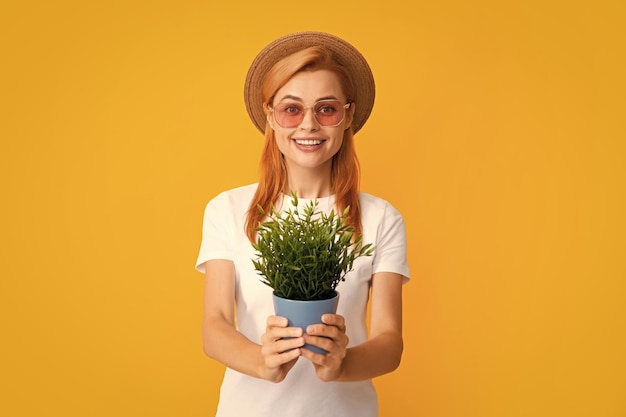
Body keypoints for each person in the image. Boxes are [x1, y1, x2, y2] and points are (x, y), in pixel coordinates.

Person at [196, 31, 410, 417]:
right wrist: (262, 361)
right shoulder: (228, 209)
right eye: (291, 109)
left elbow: (389, 340)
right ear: (270, 118)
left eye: (326, 109)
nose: (308, 125)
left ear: (347, 117)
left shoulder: (381, 218)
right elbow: (215, 325)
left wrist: (343, 364)